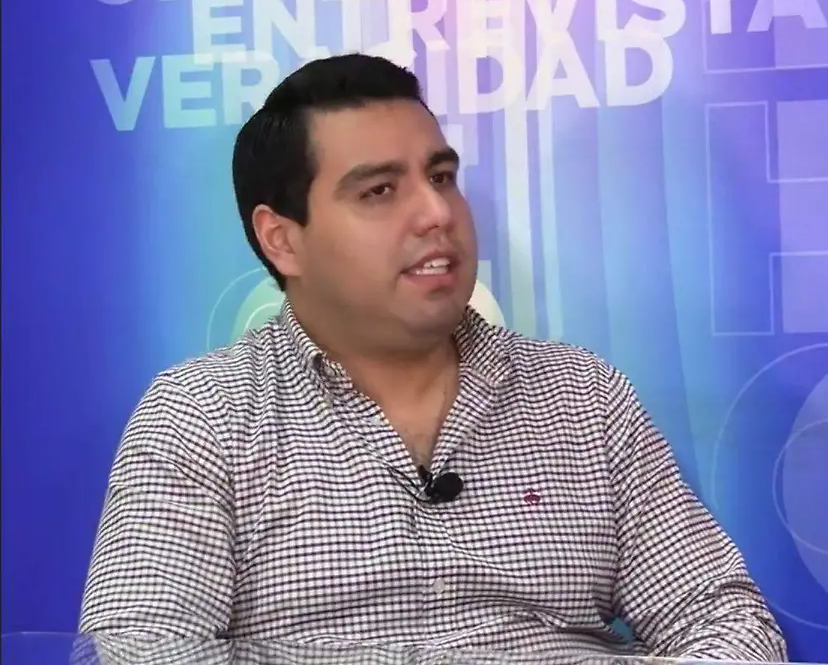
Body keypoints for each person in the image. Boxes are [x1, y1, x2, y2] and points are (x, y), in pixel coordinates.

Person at [79, 53, 786, 662]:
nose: (438, 214)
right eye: (380, 191)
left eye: (442, 177)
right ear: (282, 240)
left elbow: (726, 621)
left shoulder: (582, 395)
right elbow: (140, 648)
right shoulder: (202, 417)